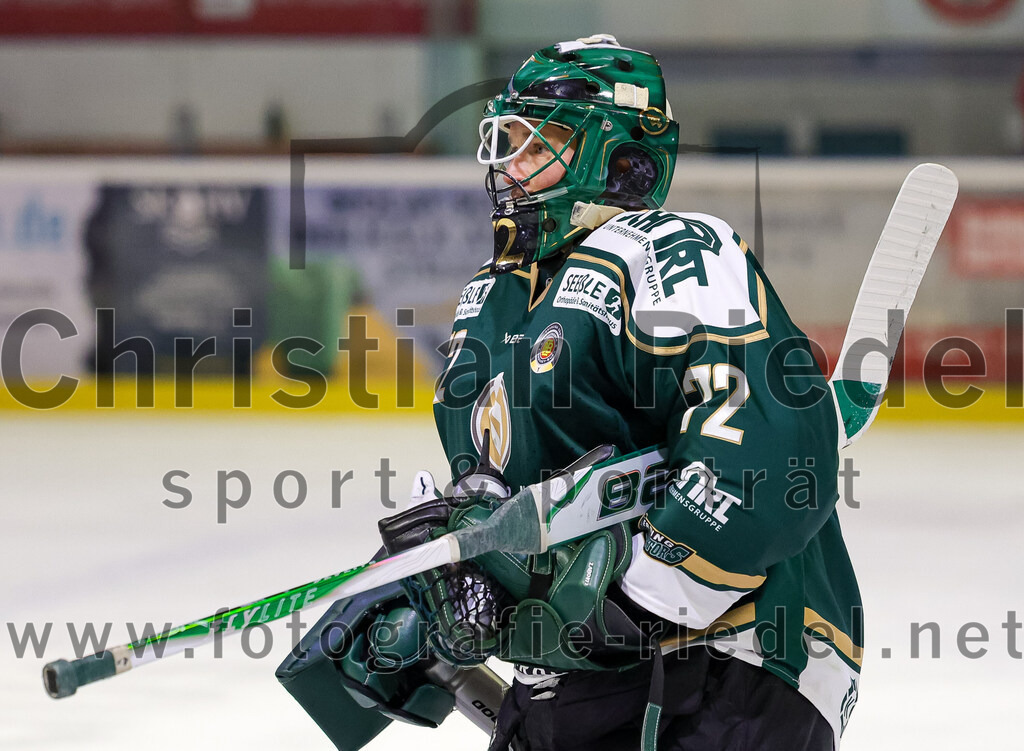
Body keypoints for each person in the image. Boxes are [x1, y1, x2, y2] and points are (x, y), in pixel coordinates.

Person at [278, 34, 862, 751]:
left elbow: (764, 454)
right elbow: (508, 521)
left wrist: (636, 598)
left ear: (619, 159)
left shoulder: (666, 249)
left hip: (722, 670)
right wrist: (442, 598)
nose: (509, 167)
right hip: (572, 692)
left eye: (538, 144)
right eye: (506, 144)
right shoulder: (489, 308)